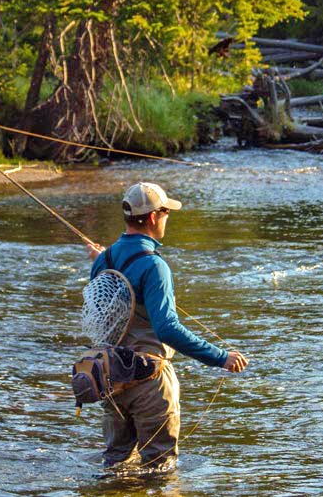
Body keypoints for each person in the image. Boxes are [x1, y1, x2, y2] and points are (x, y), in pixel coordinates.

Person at [85, 182, 248, 472]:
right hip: (150, 382)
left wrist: (100, 260)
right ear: (152, 217)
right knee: (161, 472)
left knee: (116, 467)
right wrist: (220, 357)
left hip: (112, 380)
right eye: (165, 212)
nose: (168, 218)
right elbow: (168, 329)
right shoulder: (155, 266)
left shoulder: (104, 260)